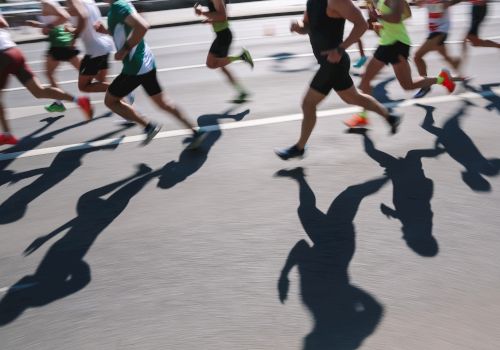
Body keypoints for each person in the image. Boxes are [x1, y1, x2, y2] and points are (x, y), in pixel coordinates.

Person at [275, 0, 402, 160]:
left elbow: (361, 24)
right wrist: (298, 26)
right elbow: (307, 25)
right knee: (354, 98)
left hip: (333, 64)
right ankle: (390, 117)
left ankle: (300, 147)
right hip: (329, 63)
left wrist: (340, 49)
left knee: (308, 103)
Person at [104, 0, 206, 147]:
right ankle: (196, 132)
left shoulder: (118, 6)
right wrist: (105, 31)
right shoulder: (121, 4)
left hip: (135, 68)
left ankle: (148, 126)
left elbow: (142, 26)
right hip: (146, 61)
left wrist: (124, 50)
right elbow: (125, 28)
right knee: (163, 103)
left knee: (110, 101)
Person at [344, 0, 456, 128]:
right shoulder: (379, 1)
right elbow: (398, 16)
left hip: (396, 44)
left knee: (367, 79)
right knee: (406, 85)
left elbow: (396, 18)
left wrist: (378, 15)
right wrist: (379, 22)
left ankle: (363, 117)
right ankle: (442, 79)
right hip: (388, 42)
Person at [0, 14, 93, 146]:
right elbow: (4, 23)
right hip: (14, 52)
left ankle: (7, 135)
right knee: (39, 91)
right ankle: (79, 101)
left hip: (3, 55)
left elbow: (2, 23)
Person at [25, 0, 81, 113]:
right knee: (85, 72)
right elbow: (57, 22)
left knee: (49, 73)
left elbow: (65, 16)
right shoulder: (49, 3)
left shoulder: (47, 3)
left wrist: (48, 27)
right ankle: (115, 91)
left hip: (58, 44)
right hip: (63, 42)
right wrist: (39, 25)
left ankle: (59, 102)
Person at [194, 0, 254, 103]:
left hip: (223, 36)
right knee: (220, 66)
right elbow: (221, 16)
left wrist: (203, 13)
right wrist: (210, 20)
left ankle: (242, 57)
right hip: (221, 35)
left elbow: (222, 16)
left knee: (211, 64)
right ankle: (241, 91)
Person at [413, 0, 461, 98]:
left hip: (440, 30)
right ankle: (461, 76)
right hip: (434, 30)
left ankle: (425, 85)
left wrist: (427, 4)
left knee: (417, 56)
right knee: (446, 57)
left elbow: (440, 9)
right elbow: (418, 5)